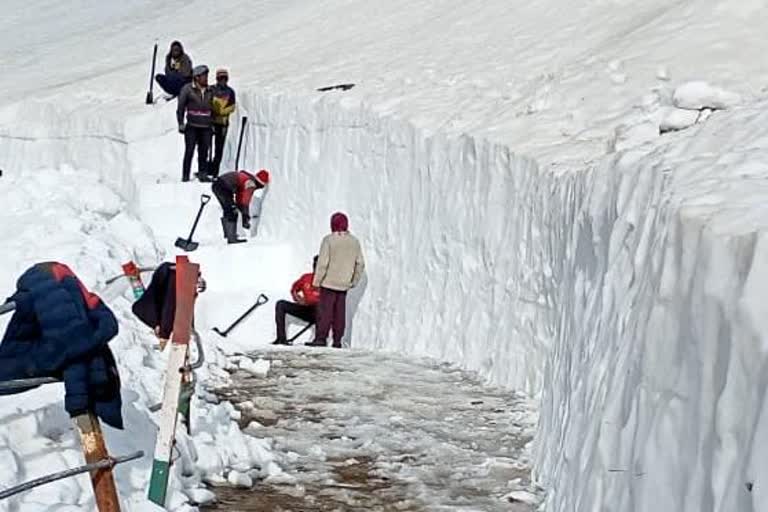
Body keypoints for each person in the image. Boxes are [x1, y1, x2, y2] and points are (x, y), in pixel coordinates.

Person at [0, 262, 123, 429]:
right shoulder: (74, 295)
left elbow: (69, 343)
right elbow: (105, 326)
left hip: (45, 356)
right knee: (75, 348)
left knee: (72, 349)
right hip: (59, 357)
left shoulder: (45, 294)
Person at [307, 212, 365, 348]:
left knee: (325, 311)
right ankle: (337, 340)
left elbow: (322, 263)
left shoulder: (329, 240)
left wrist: (316, 281)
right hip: (344, 283)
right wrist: (353, 281)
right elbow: (360, 264)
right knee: (340, 313)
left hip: (328, 282)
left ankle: (321, 338)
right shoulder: (354, 241)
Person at [177, 65, 214, 182]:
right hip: (192, 126)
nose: (206, 78)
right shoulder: (187, 89)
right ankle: (185, 175)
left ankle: (202, 174)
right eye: (204, 76)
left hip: (206, 126)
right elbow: (181, 107)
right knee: (189, 151)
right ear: (197, 77)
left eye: (207, 76)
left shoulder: (210, 90)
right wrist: (181, 123)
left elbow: (213, 108)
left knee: (204, 152)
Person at [211, 169, 270, 243]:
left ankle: (228, 234)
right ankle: (231, 238)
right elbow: (244, 201)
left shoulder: (248, 178)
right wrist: (245, 217)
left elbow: (240, 196)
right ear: (260, 183)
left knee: (228, 209)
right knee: (232, 211)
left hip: (218, 185)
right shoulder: (250, 183)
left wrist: (242, 211)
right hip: (223, 187)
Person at [272, 256, 320, 345]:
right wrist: (298, 299)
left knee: (320, 307)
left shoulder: (328, 281)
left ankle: (319, 340)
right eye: (315, 264)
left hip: (320, 313)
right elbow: (294, 289)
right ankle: (281, 339)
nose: (316, 266)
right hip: (306, 309)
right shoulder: (306, 277)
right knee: (280, 304)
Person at [209, 68, 237, 180]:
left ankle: (216, 170)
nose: (222, 81)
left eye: (224, 78)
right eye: (220, 78)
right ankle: (207, 168)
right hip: (211, 122)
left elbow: (231, 107)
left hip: (222, 123)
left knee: (219, 148)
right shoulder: (211, 90)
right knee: (206, 146)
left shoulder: (230, 92)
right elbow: (207, 103)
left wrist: (220, 111)